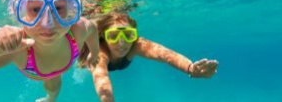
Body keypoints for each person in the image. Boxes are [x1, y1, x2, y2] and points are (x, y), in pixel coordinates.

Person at [79, 11, 219, 102]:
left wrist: (190, 68)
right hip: (86, 65)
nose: (122, 43)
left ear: (134, 35)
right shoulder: (99, 53)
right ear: (104, 36)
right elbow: (102, 78)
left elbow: (165, 55)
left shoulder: (137, 45)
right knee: (81, 72)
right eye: (114, 36)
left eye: (128, 35)